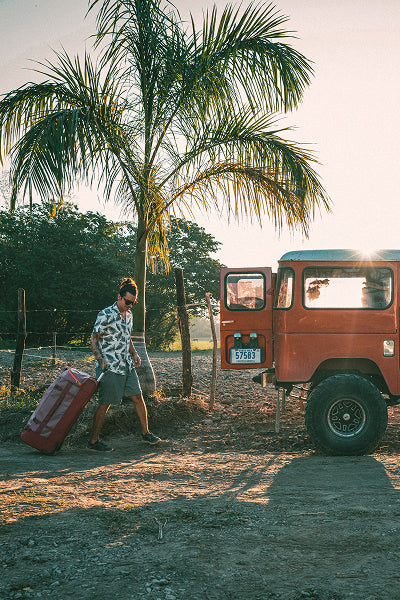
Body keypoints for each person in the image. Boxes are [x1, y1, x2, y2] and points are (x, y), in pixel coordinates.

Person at [88, 277, 161, 452]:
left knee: (138, 397)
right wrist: (100, 359)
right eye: (127, 301)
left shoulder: (129, 316)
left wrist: (134, 353)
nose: (129, 305)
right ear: (119, 297)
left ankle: (146, 433)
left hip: (126, 365)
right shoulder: (105, 314)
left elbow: (126, 338)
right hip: (110, 367)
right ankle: (93, 441)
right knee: (105, 403)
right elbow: (93, 338)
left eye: (133, 303)